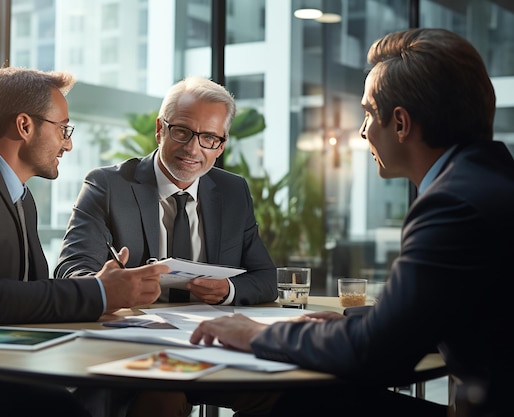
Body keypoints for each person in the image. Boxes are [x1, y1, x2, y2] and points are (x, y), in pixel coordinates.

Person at [189, 28, 514, 417]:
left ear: (400, 123)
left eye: (367, 113)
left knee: (288, 403)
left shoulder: (452, 204)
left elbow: (376, 354)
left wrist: (260, 333)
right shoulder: (490, 180)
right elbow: (433, 312)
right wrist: (356, 321)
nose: (362, 132)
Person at [0, 67, 168, 417]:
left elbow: (28, 291)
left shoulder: (21, 196)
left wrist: (98, 287)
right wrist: (99, 293)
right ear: (24, 125)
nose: (68, 143)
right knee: (57, 407)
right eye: (63, 129)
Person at [55, 76, 278, 416]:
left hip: (211, 343)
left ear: (221, 144)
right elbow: (70, 270)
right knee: (164, 398)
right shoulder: (107, 185)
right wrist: (108, 285)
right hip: (137, 349)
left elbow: (265, 276)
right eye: (182, 132)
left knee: (281, 394)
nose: (193, 149)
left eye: (208, 138)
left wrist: (227, 290)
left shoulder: (233, 192)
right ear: (160, 128)